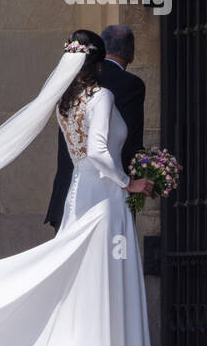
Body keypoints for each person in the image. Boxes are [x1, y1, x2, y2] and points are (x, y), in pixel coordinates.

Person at [46, 24, 144, 229]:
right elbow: (99, 151)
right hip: (105, 193)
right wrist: (130, 182)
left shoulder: (63, 100)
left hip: (73, 191)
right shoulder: (104, 95)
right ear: (99, 63)